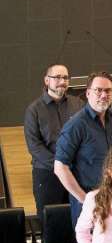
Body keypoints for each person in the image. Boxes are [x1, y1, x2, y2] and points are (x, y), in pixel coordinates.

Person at [54, 72, 112, 229]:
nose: (103, 95)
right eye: (98, 90)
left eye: (108, 91)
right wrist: (85, 200)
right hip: (89, 202)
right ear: (88, 93)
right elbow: (60, 167)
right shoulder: (75, 125)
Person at [25, 63, 84, 213]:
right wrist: (60, 165)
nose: (62, 81)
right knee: (50, 221)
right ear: (46, 81)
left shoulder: (78, 104)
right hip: (47, 174)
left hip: (76, 172)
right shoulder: (34, 110)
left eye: (65, 78)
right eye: (57, 77)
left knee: (77, 219)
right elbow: (34, 146)